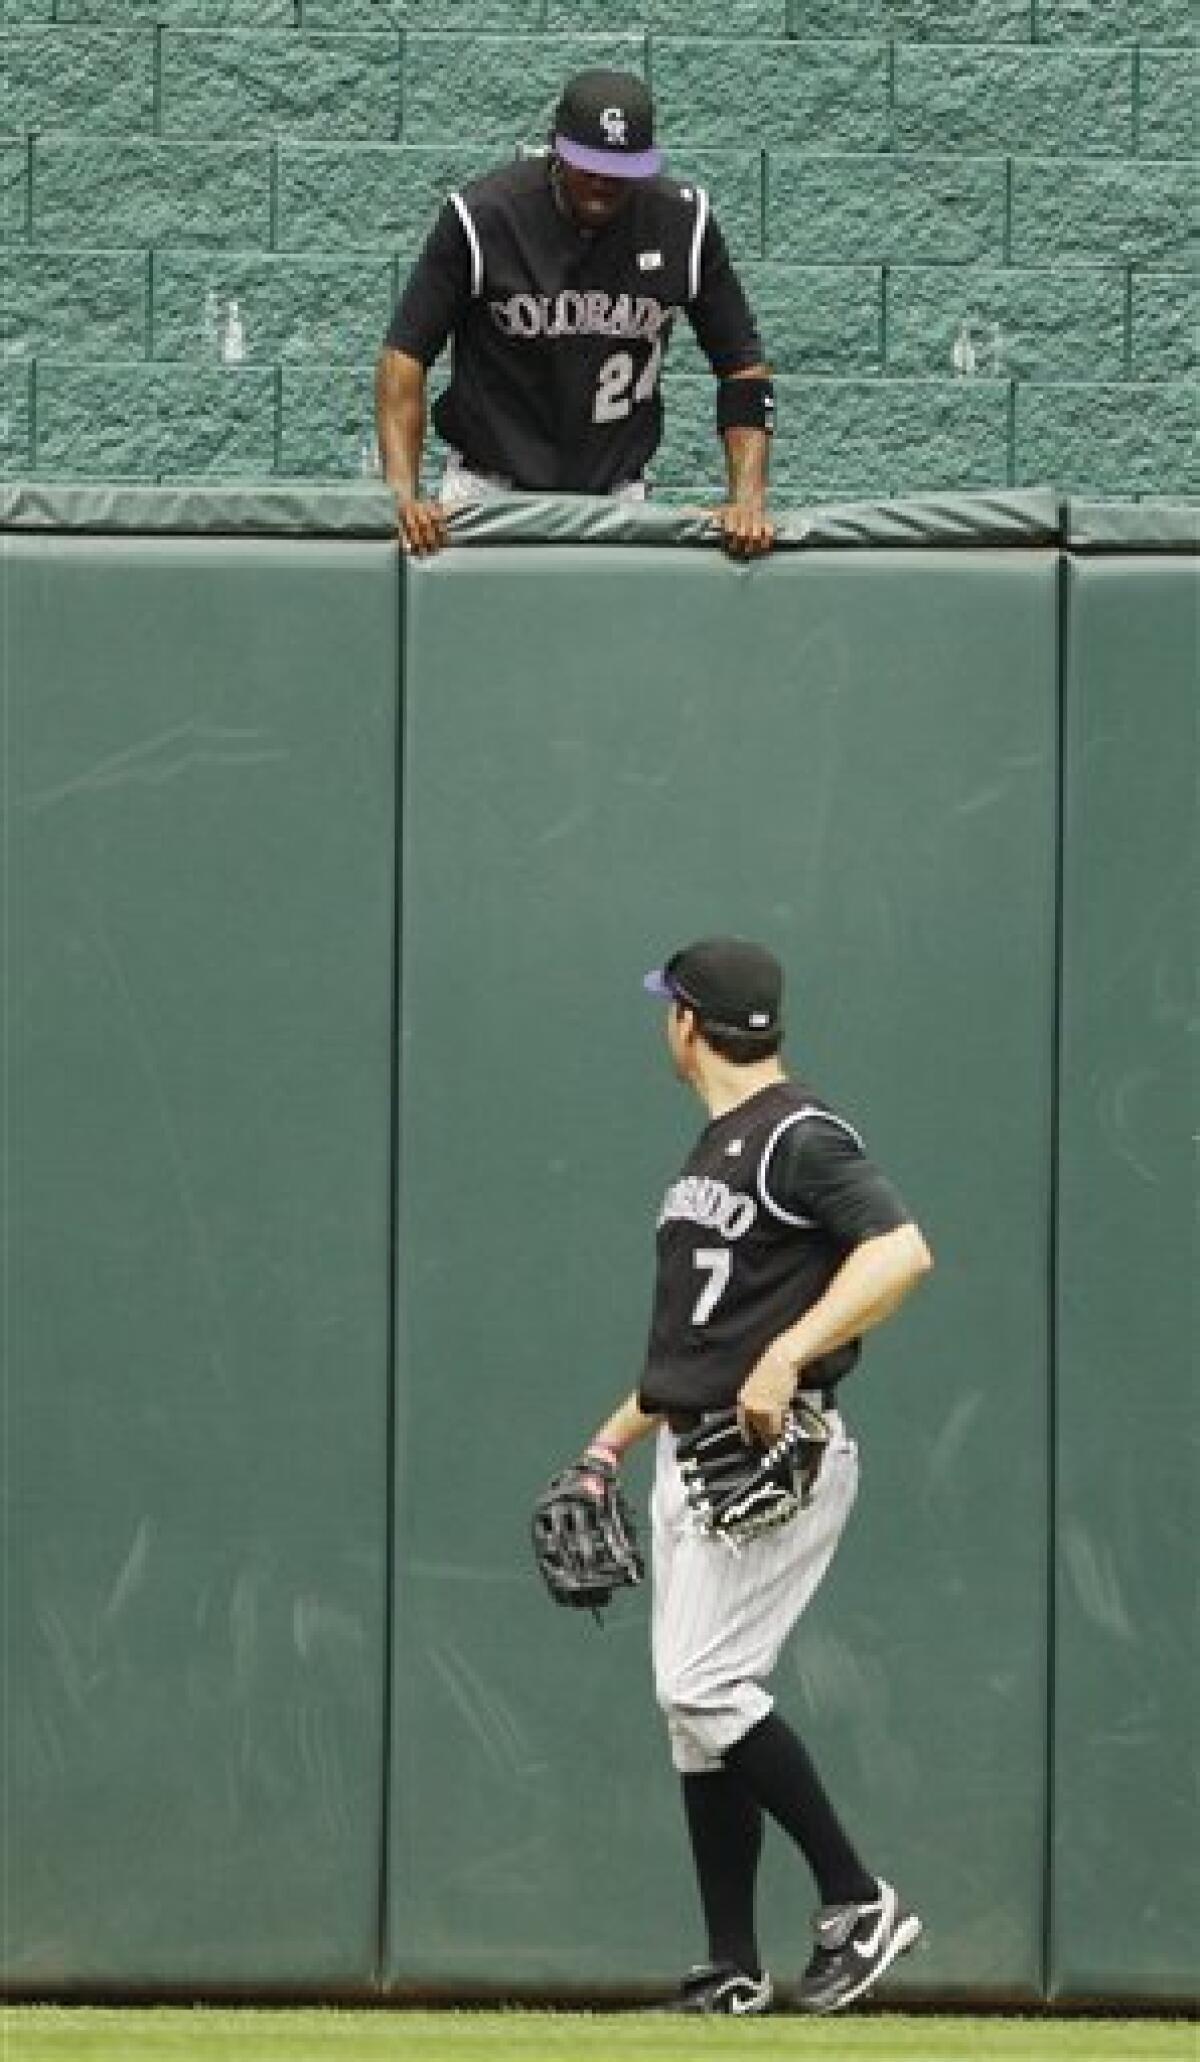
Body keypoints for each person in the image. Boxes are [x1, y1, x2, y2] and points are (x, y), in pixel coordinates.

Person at [569, 937, 933, 2016]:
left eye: (665, 1010)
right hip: (698, 1441)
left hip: (772, 1451)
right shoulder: (718, 1148)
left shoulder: (798, 1136)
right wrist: (606, 1445)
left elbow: (900, 1251)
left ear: (687, 1021)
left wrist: (788, 1353)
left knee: (704, 1684)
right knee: (692, 1709)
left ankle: (860, 1901)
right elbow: (701, 1348)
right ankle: (733, 1964)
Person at [375, 68, 774, 560]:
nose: (605, 178)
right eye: (589, 162)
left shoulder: (682, 223)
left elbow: (743, 368)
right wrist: (401, 495)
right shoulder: (484, 217)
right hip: (487, 493)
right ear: (556, 148)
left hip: (615, 496)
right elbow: (403, 358)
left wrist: (747, 501)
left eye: (622, 166)